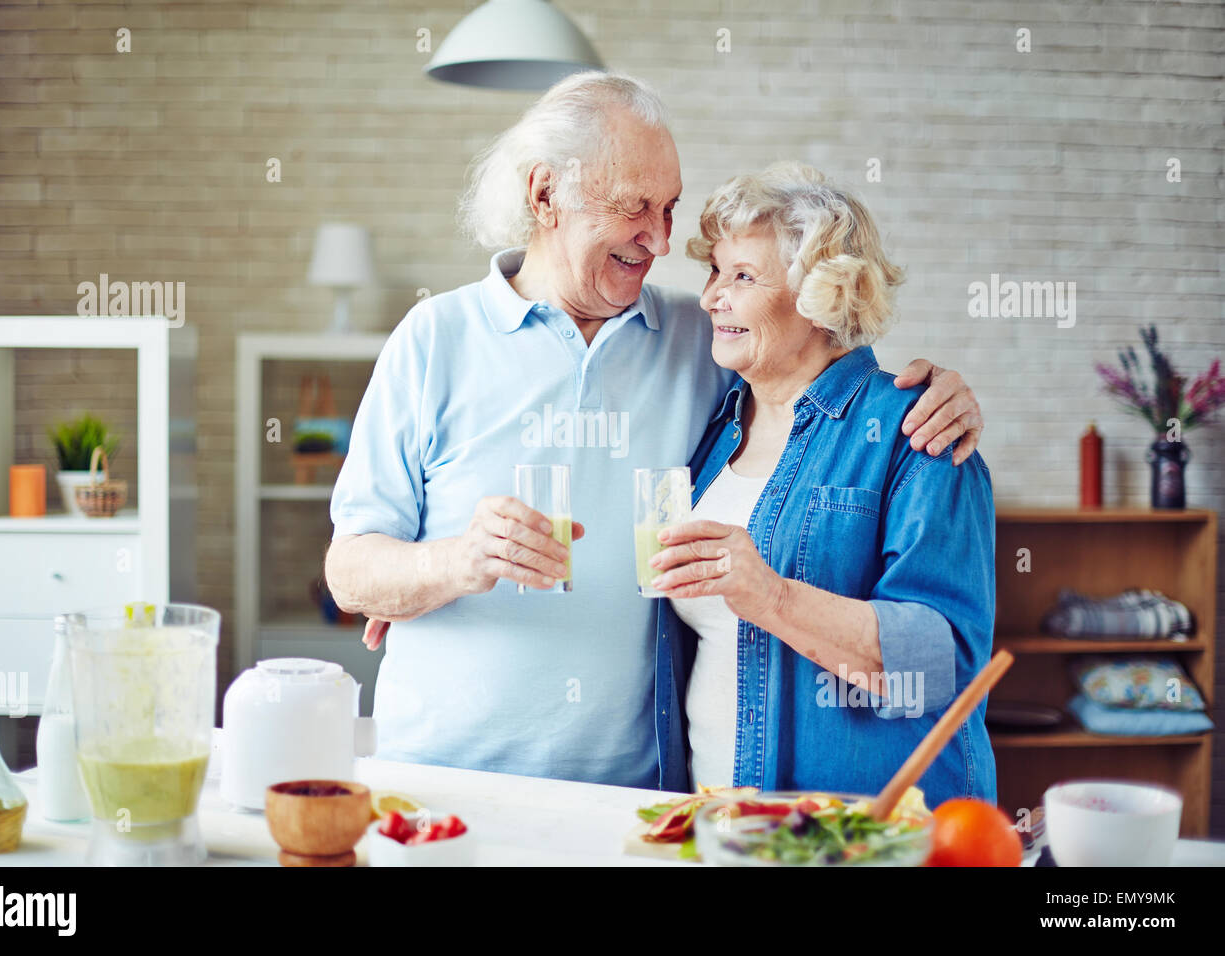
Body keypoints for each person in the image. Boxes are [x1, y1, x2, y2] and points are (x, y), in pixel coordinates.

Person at [324, 71, 985, 789]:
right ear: (545, 195)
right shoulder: (433, 339)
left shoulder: (695, 342)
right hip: (442, 780)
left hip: (635, 799)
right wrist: (446, 566)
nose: (662, 240)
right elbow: (350, 571)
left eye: (669, 209)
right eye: (635, 207)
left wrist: (940, 393)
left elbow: (816, 368)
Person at [649, 161, 996, 805]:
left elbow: (942, 664)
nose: (711, 298)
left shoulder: (918, 433)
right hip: (720, 826)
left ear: (824, 296)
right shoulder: (716, 426)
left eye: (743, 276)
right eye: (714, 272)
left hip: (860, 835)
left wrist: (773, 597)